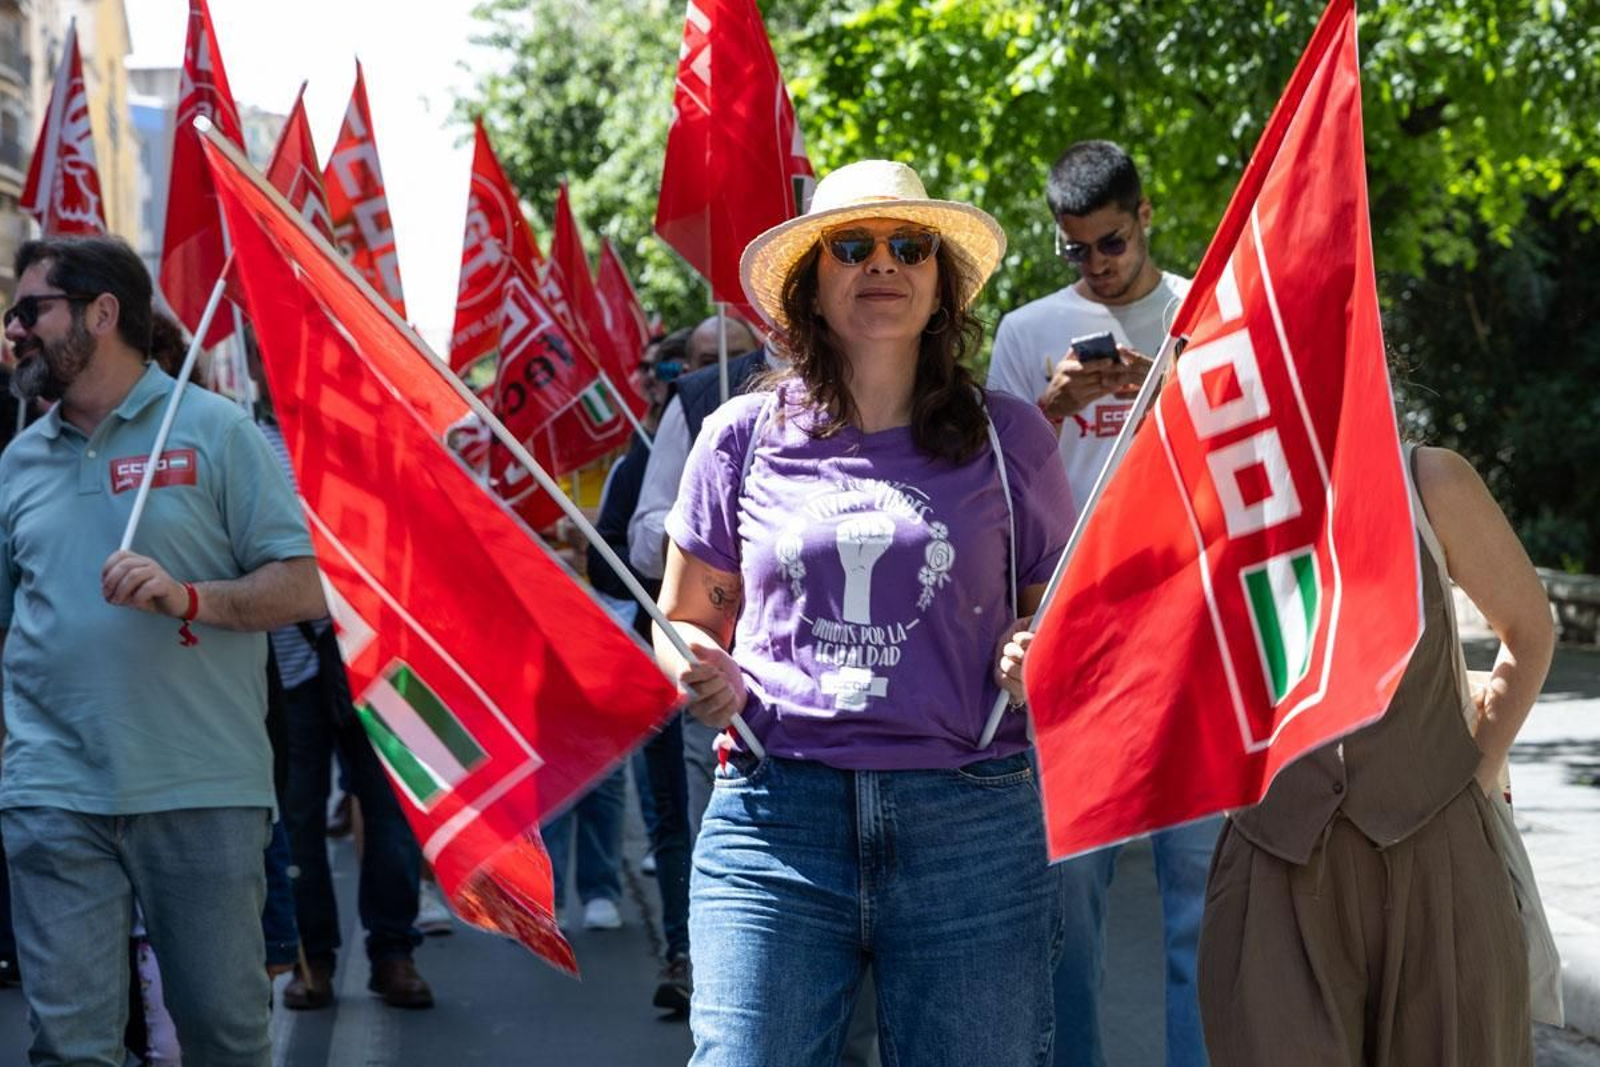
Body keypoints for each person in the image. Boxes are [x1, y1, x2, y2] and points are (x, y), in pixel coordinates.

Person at [654, 159, 1072, 1065]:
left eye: (908, 245)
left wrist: (1039, 650)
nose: (880, 263)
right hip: (774, 819)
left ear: (939, 282)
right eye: (851, 245)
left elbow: (1062, 617)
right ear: (812, 284)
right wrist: (696, 664)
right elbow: (682, 615)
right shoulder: (739, 434)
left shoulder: (1012, 439)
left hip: (973, 824)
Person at [0, 234, 325, 1064]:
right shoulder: (16, 462)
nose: (13, 330)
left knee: (223, 1034)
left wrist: (191, 597)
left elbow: (305, 584)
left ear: (102, 313)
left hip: (201, 786)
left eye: (30, 309)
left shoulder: (216, 432)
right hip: (52, 792)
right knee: (70, 1047)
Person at [1196, 444, 1553, 1065]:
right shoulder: (1206, 485)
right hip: (1273, 863)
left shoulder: (1429, 480)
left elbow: (1528, 630)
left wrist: (1470, 769)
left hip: (1441, 863)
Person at [987, 139, 1214, 1067]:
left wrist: (1173, 400)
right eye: (1074, 250)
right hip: (1075, 639)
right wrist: (1050, 403)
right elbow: (985, 484)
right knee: (1067, 906)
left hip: (1194, 638)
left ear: (1146, 213)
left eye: (1110, 244)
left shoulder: (1205, 313)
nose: (1094, 265)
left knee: (1201, 899)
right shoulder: (1028, 331)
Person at [255, 411, 434, 1011]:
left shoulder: (371, 427)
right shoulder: (246, 437)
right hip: (288, 656)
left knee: (390, 808)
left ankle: (393, 952)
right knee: (298, 812)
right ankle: (313, 958)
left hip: (382, 651)